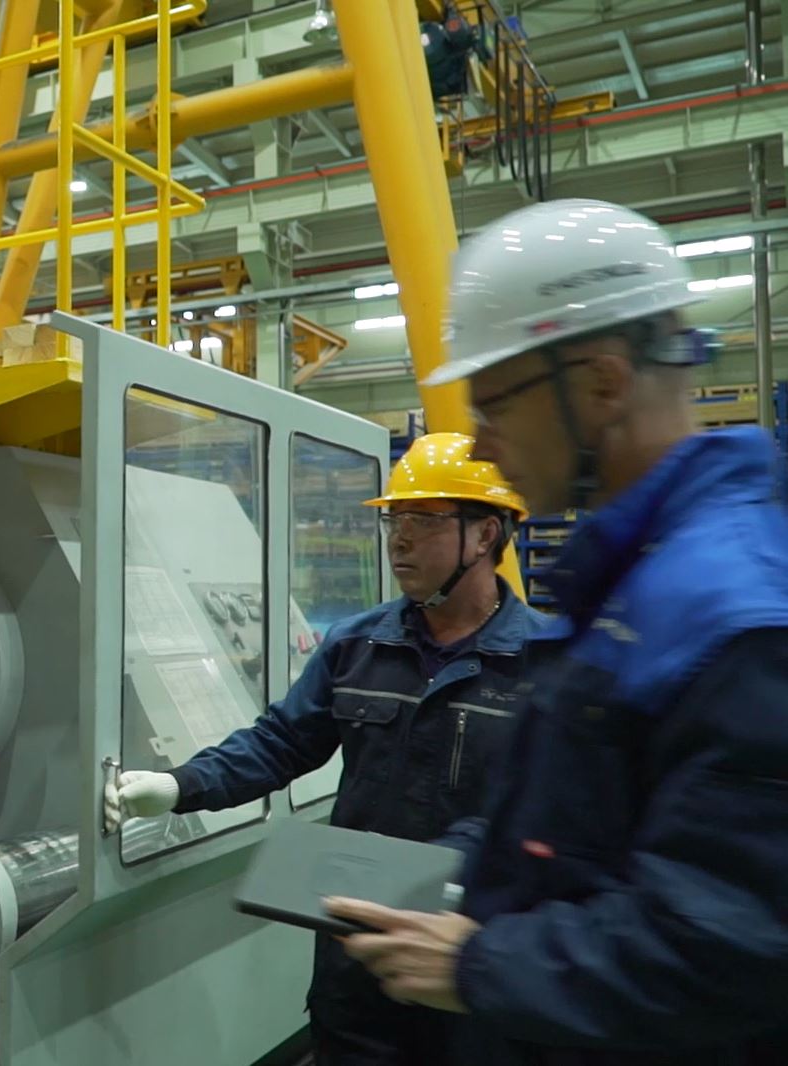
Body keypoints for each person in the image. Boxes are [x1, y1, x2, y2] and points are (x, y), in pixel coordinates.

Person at [327, 199, 788, 1066]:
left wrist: (478, 965)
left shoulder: (734, 615)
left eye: (494, 406)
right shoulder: (637, 582)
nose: (483, 447)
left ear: (601, 384)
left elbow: (729, 944)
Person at [103, 432, 535, 1066]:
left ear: (485, 535)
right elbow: (281, 742)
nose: (399, 539)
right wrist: (180, 785)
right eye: (393, 520)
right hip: (357, 963)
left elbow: (537, 815)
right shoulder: (358, 646)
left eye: (422, 520)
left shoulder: (542, 664)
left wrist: (437, 874)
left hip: (466, 962)